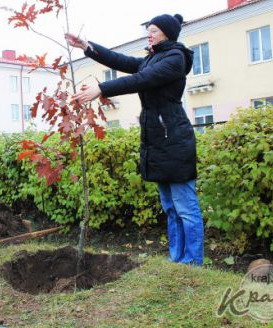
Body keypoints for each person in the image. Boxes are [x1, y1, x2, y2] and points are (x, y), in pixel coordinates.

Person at [66, 14, 204, 265]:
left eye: (153, 30)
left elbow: (141, 79)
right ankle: (178, 260)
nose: (148, 35)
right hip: (158, 141)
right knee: (171, 208)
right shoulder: (152, 59)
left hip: (174, 139)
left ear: (167, 33)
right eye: (147, 31)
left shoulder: (175, 58)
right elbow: (121, 60)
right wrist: (88, 47)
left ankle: (193, 262)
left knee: (186, 208)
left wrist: (102, 89)